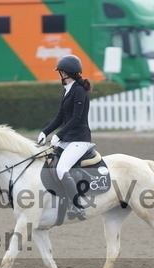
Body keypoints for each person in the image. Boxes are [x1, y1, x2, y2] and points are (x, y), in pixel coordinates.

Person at [37, 54, 92, 219]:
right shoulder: (67, 90)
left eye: (59, 71)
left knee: (61, 169)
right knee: (46, 162)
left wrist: (58, 135)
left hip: (79, 139)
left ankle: (77, 206)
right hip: (67, 139)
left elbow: (76, 118)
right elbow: (60, 117)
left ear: (65, 72)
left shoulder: (80, 91)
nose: (58, 74)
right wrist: (45, 132)